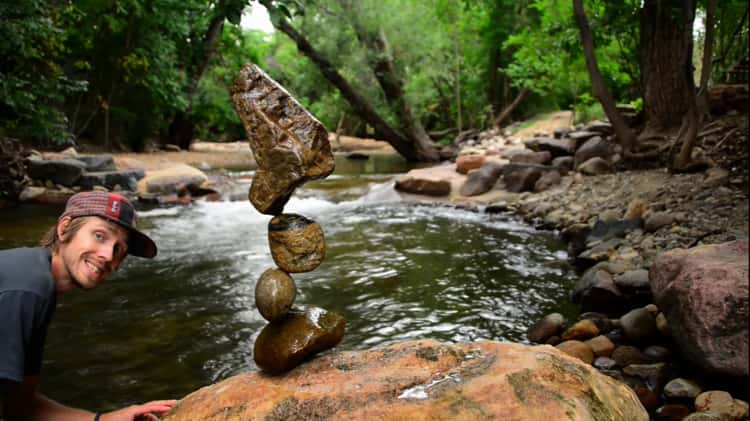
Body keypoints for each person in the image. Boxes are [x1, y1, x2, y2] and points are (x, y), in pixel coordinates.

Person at [0, 191, 176, 420]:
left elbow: (21, 407)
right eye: (100, 236)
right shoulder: (27, 287)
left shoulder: (35, 279)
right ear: (64, 229)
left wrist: (105, 419)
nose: (107, 256)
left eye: (119, 250)